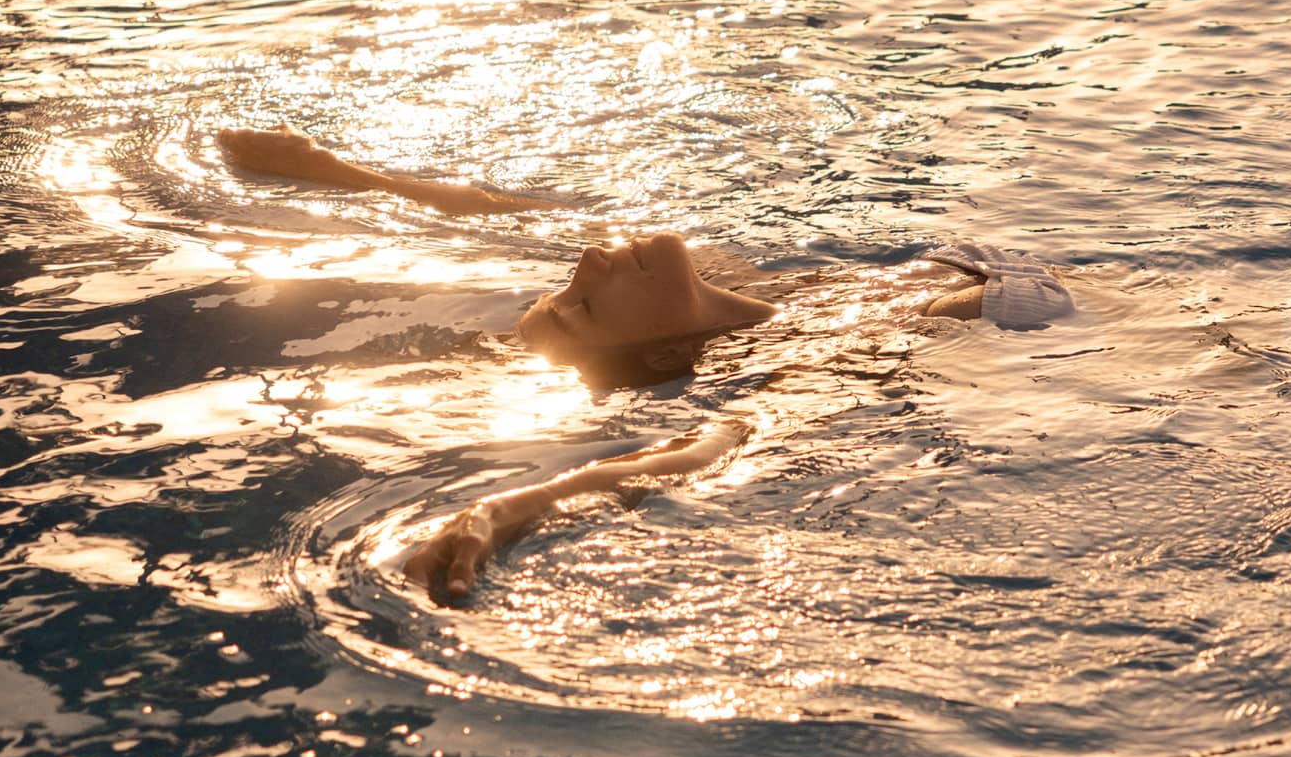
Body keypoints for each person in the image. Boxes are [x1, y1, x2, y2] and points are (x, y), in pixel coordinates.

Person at [217, 124, 1076, 599]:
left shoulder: (739, 281)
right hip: (1128, 342)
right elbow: (707, 449)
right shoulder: (813, 354)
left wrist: (337, 170)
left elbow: (496, 212)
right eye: (583, 306)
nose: (589, 263)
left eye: (567, 287)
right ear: (662, 351)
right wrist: (511, 504)